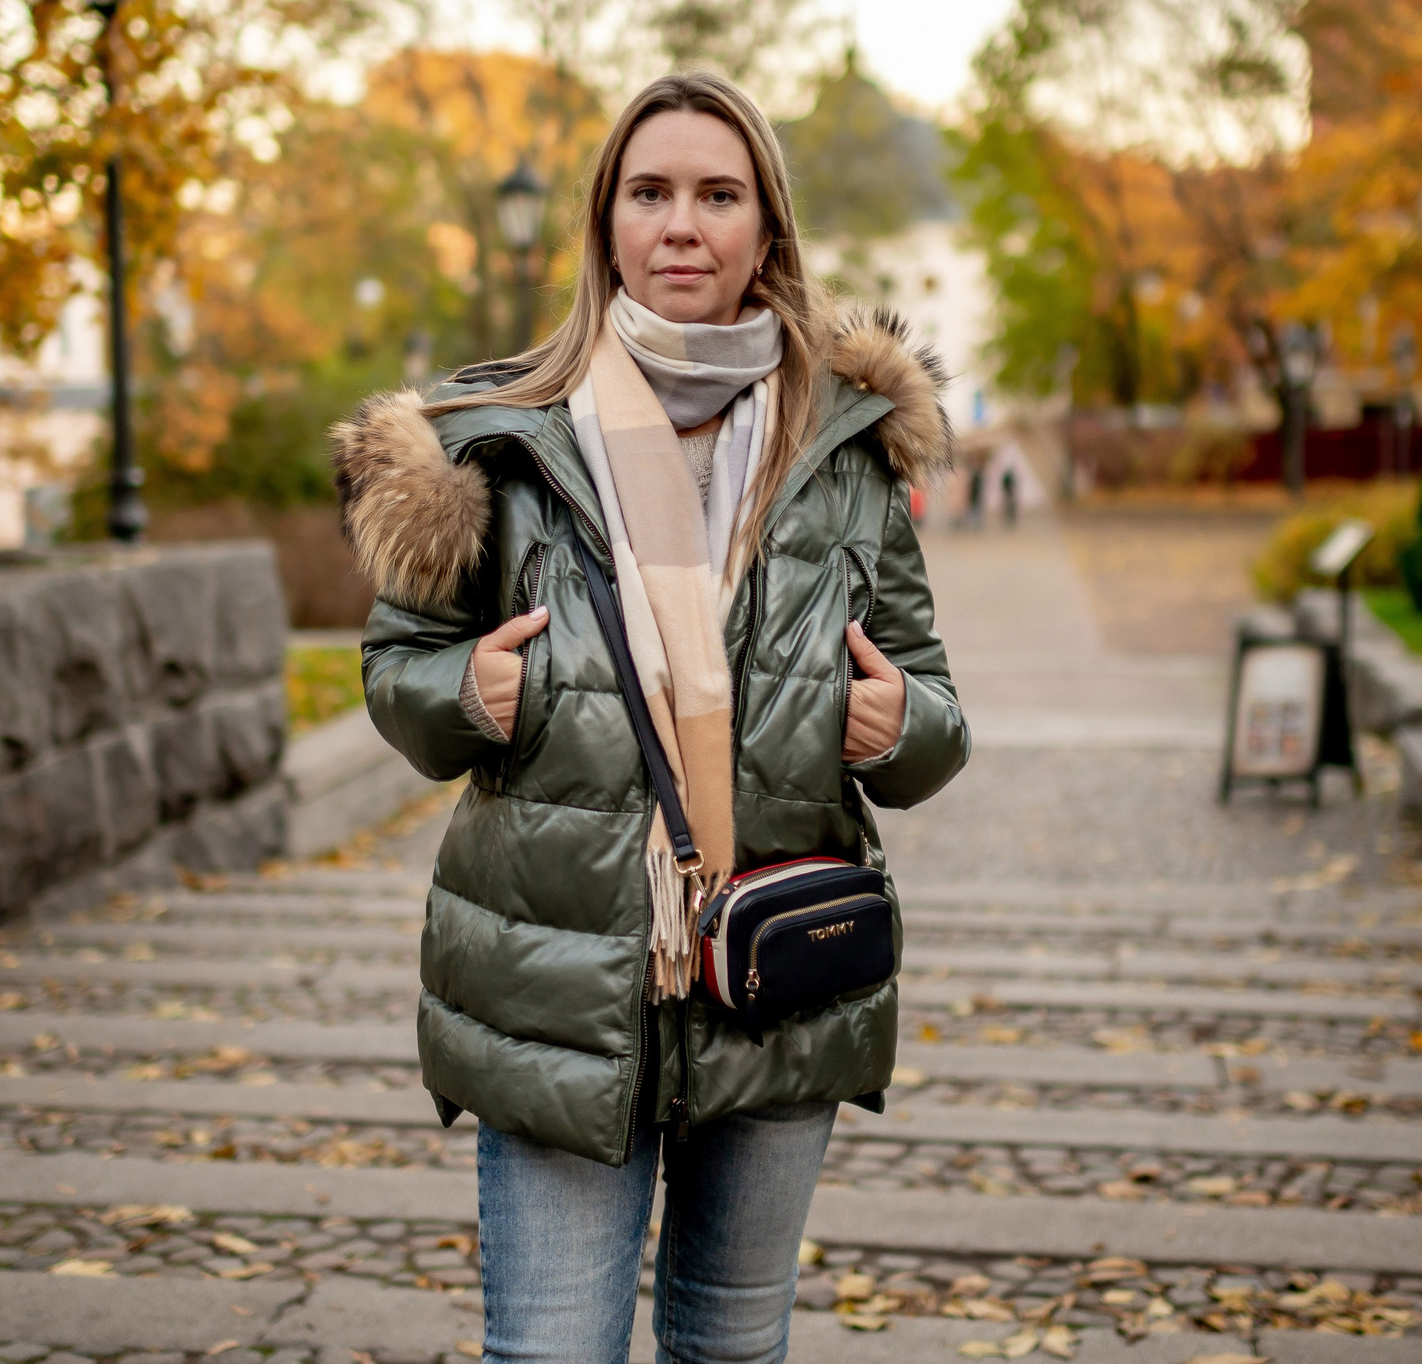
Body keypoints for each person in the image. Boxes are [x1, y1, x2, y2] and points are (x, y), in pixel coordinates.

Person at [333, 72, 968, 1364]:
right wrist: (464, 693)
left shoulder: (846, 448)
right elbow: (397, 669)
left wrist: (898, 721)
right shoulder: (492, 442)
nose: (684, 223)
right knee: (554, 1349)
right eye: (652, 193)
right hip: (558, 978)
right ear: (607, 227)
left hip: (777, 973)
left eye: (718, 194)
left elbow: (937, 711)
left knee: (734, 1348)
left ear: (766, 234)